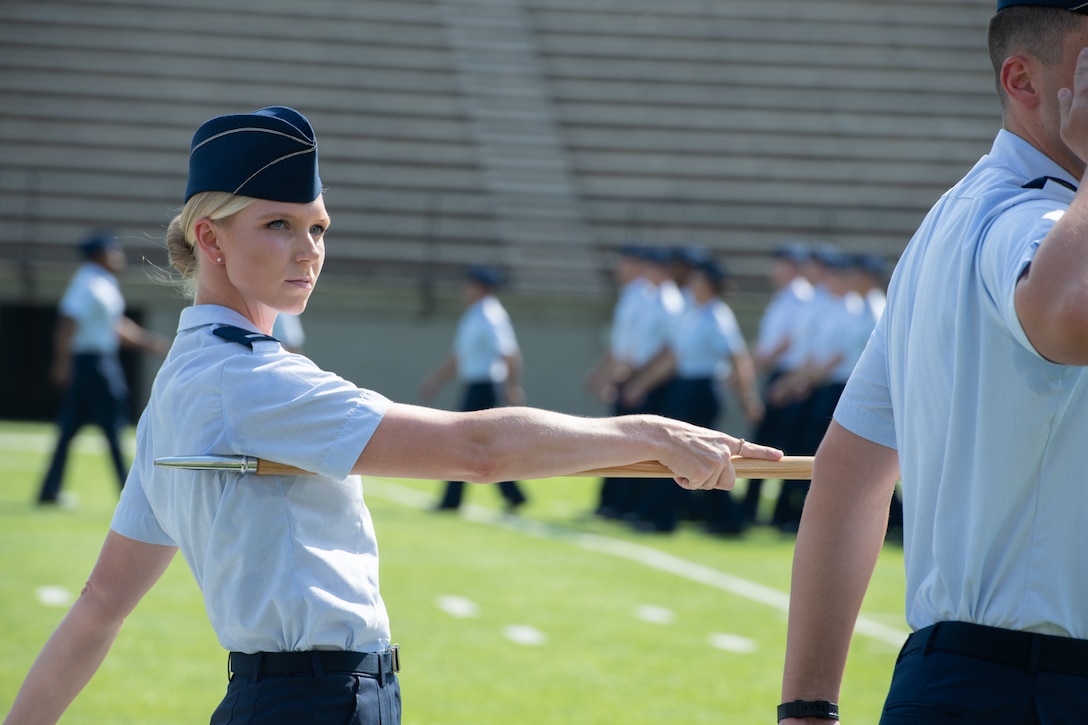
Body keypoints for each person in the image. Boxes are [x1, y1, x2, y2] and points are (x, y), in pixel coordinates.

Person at [3, 106, 782, 725]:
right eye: (278, 224)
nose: (308, 249)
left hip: (277, 699)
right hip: (318, 701)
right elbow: (476, 449)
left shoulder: (181, 385)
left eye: (318, 227)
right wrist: (647, 431)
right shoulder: (251, 381)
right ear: (209, 237)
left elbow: (100, 604)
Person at [780, 4, 1088, 723]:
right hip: (1040, 685)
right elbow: (1069, 317)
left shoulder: (945, 223)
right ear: (1025, 80)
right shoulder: (1033, 216)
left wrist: (806, 704)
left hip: (959, 680)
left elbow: (850, 476)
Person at [623, 255, 763, 534]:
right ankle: (718, 518)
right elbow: (674, 357)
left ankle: (668, 518)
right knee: (685, 451)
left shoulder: (717, 315)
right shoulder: (692, 313)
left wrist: (747, 397)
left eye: (699, 280)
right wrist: (642, 384)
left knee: (690, 452)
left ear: (711, 285)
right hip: (685, 386)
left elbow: (738, 358)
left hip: (702, 389)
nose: (692, 284)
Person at [36, 231, 167, 506]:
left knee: (71, 427)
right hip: (92, 362)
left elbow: (116, 325)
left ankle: (49, 491)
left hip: (96, 361)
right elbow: (67, 324)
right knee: (111, 424)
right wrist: (62, 363)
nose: (119, 257)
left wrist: (147, 343)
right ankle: (129, 491)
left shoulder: (102, 283)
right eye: (113, 252)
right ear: (98, 255)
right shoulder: (87, 282)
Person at [419, 265, 527, 512]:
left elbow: (508, 354)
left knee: (463, 441)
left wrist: (511, 387)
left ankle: (452, 500)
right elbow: (459, 356)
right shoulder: (475, 314)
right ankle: (513, 495)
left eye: (469, 284)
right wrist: (436, 379)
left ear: (481, 287)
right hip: (476, 385)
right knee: (479, 444)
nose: (464, 289)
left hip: (485, 387)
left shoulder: (491, 315)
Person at [742, 243, 815, 526]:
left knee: (779, 445)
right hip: (781, 374)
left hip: (791, 377)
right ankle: (753, 507)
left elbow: (785, 343)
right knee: (766, 441)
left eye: (782, 264)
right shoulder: (784, 298)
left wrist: (753, 365)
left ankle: (773, 511)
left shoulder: (801, 299)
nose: (776, 270)